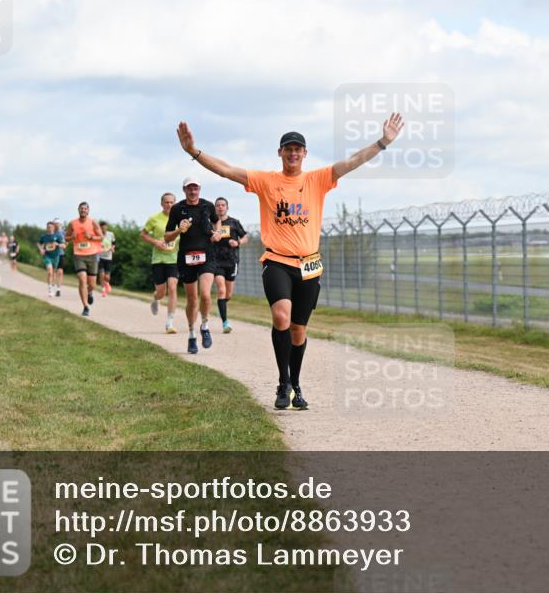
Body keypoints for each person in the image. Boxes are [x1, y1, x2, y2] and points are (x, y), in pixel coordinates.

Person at [175, 112, 404, 409]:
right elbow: (227, 170)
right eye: (288, 148)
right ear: (280, 153)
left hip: (308, 264)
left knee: (298, 331)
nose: (293, 153)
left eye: (298, 149)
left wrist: (383, 142)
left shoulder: (318, 179)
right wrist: (194, 151)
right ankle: (282, 382)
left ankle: (295, 383)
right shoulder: (267, 181)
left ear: (305, 154)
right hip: (278, 261)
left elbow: (353, 162)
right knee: (281, 317)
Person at [164, 178, 222, 354]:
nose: (193, 191)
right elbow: (167, 237)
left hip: (207, 255)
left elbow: (217, 221)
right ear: (184, 190)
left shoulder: (207, 206)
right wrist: (178, 231)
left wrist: (218, 232)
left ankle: (204, 326)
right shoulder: (177, 209)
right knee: (192, 299)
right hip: (186, 257)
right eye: (189, 188)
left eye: (195, 188)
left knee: (205, 294)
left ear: (199, 189)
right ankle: (191, 334)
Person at [141, 192, 180, 333]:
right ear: (161, 203)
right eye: (166, 202)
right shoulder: (154, 219)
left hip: (174, 259)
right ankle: (156, 298)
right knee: (161, 292)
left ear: (175, 203)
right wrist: (155, 241)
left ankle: (169, 322)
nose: (169, 205)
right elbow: (143, 234)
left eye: (171, 202)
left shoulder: (180, 219)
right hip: (158, 259)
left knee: (172, 287)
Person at [212, 197, 248, 334]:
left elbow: (244, 237)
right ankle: (225, 322)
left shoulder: (234, 222)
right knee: (221, 290)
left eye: (223, 205)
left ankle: (222, 307)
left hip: (232, 261)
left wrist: (238, 243)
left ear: (227, 207)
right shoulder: (212, 223)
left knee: (228, 294)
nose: (220, 207)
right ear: (215, 208)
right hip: (216, 261)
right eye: (218, 205)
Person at [64, 202, 104, 316]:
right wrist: (72, 237)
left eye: (85, 209)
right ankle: (85, 306)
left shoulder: (93, 222)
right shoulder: (72, 223)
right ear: (78, 210)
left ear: (88, 211)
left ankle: (90, 292)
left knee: (92, 285)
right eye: (81, 208)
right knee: (82, 280)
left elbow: (101, 237)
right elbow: (66, 237)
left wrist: (91, 237)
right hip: (79, 255)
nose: (83, 210)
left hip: (92, 255)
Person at [38, 222, 63, 296]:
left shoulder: (58, 236)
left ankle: (52, 284)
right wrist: (41, 249)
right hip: (47, 256)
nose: (49, 228)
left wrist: (58, 244)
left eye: (51, 227)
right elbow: (39, 243)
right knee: (50, 272)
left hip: (56, 256)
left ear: (54, 228)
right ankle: (50, 290)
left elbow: (63, 245)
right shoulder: (44, 237)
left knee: (54, 272)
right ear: (46, 228)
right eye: (48, 227)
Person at [98, 220, 115, 297]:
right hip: (100, 257)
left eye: (104, 228)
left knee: (107, 276)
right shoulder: (98, 235)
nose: (103, 230)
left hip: (108, 257)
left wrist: (112, 248)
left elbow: (114, 243)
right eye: (102, 228)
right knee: (101, 274)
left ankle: (107, 284)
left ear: (106, 228)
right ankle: (103, 290)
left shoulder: (111, 234)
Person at [52, 217, 66, 296]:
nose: (57, 225)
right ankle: (52, 286)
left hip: (61, 254)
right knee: (53, 272)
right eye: (55, 223)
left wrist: (59, 245)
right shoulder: (50, 233)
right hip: (53, 255)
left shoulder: (62, 233)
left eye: (58, 223)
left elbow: (64, 244)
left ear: (60, 224)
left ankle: (58, 289)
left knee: (60, 272)